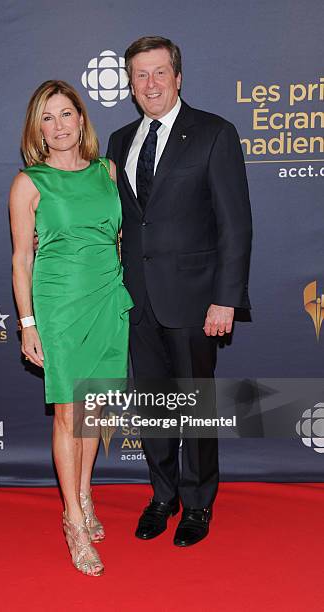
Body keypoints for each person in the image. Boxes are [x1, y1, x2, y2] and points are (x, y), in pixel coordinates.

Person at [107, 36, 252, 547]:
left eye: (159, 73)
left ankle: (197, 504)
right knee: (151, 404)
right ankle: (162, 496)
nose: (150, 84)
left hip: (195, 298)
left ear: (178, 77)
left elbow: (235, 224)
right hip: (135, 297)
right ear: (130, 83)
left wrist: (226, 297)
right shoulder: (120, 140)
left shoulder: (214, 133)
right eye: (140, 75)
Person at [9, 80, 133, 576]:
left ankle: (83, 493)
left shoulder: (108, 171)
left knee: (94, 412)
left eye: (66, 114)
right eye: (48, 117)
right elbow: (22, 259)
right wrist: (27, 323)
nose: (59, 125)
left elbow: (120, 238)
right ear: (37, 128)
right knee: (68, 413)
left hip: (107, 299)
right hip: (59, 304)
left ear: (82, 119)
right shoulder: (29, 182)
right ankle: (74, 523)